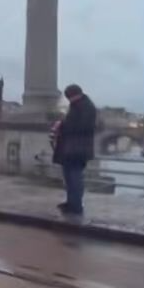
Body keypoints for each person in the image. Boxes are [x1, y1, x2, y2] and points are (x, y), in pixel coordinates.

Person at [52, 84, 97, 215]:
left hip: (77, 149)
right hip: (71, 148)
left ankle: (76, 206)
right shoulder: (78, 105)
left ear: (75, 95)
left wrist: (63, 126)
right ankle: (71, 202)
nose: (69, 100)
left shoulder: (86, 107)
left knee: (75, 177)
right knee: (69, 177)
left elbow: (82, 127)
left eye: (69, 97)